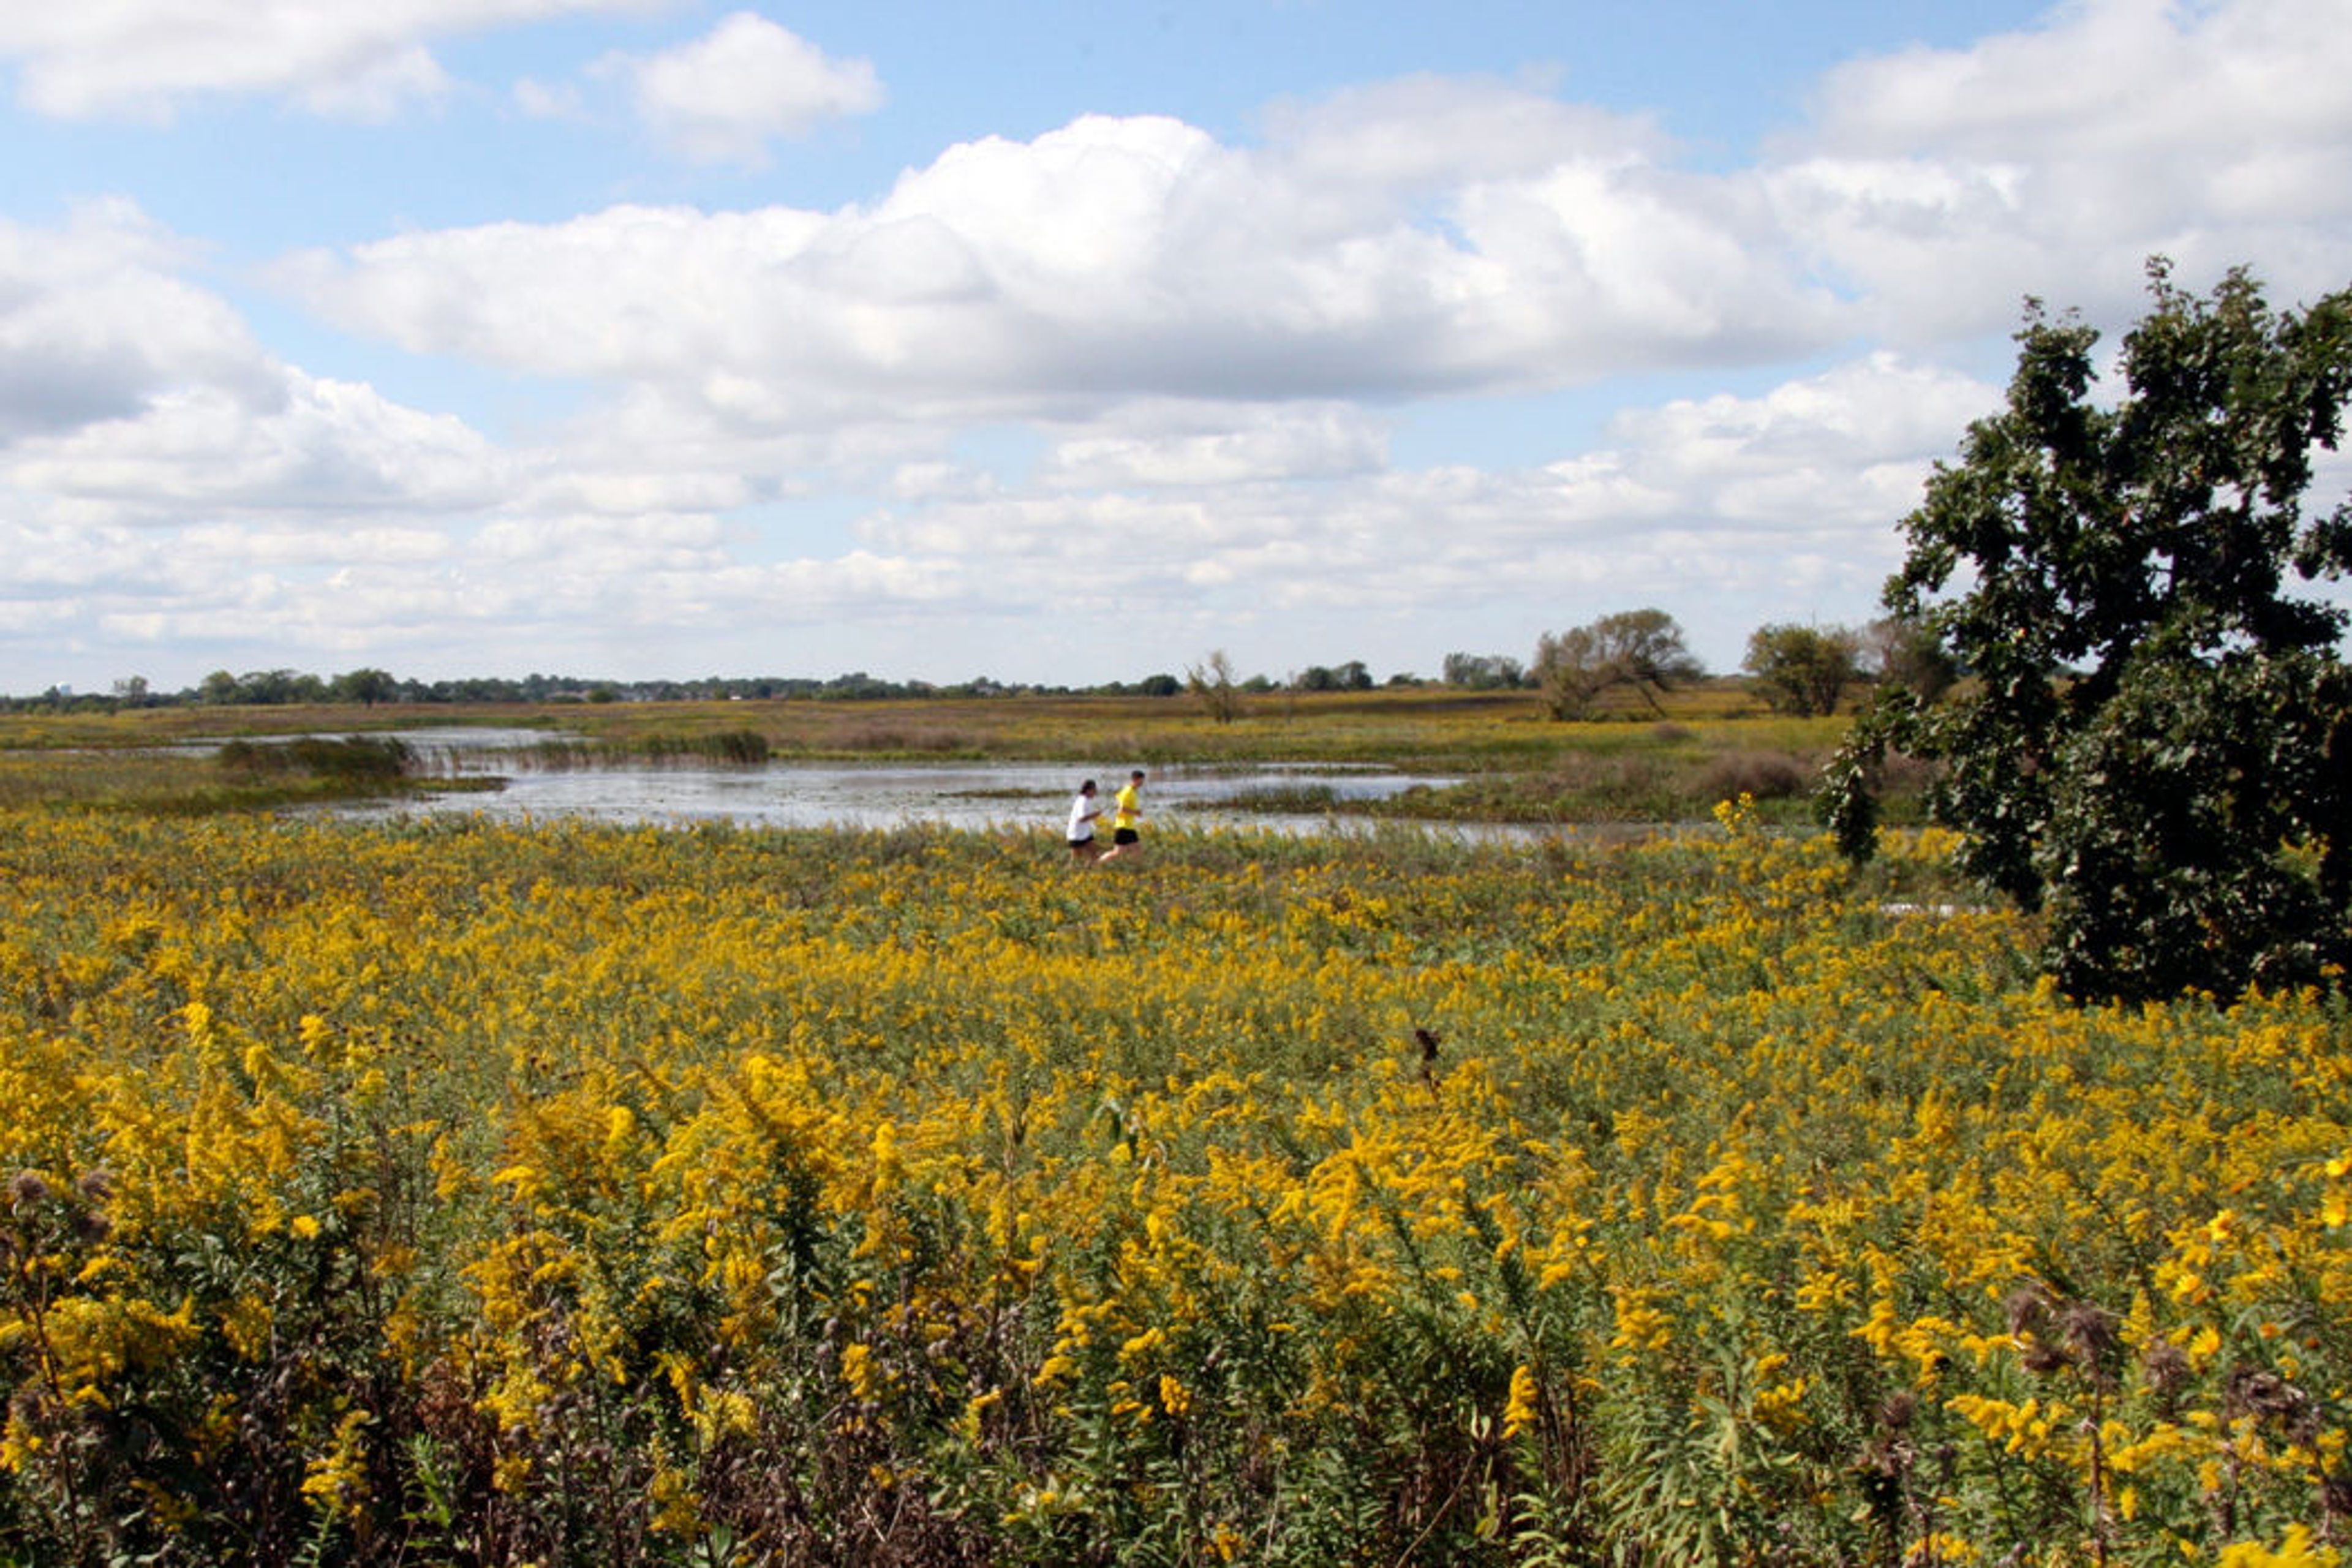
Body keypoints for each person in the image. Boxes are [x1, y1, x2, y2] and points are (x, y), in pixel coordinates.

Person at [1097, 769, 1146, 862]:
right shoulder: (1127, 791)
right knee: (1118, 853)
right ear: (1136, 779)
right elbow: (1122, 809)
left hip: (1129, 826)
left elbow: (1119, 800)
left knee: (1136, 849)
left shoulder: (1133, 791)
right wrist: (1136, 813)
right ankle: (1097, 863)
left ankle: (1137, 869)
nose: (1142, 783)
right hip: (1123, 826)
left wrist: (1136, 812)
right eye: (1141, 781)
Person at [1066, 778, 1103, 862]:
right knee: (1075, 860)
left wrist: (1094, 816)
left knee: (1095, 856)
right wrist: (1095, 815)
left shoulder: (1086, 800)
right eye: (1094, 790)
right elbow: (1081, 819)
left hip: (1084, 834)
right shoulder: (1083, 801)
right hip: (1076, 835)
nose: (1096, 793)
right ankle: (1066, 874)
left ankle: (1087, 872)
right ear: (1088, 790)